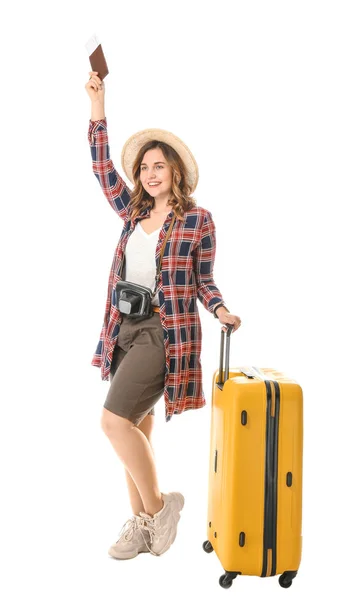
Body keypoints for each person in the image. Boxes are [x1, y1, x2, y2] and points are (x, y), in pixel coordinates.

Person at [85, 71, 242, 561]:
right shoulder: (132, 212)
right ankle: (141, 526)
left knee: (113, 422)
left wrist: (221, 309)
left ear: (176, 171)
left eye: (160, 166)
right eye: (145, 168)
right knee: (135, 426)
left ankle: (158, 510)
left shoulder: (198, 220)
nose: (151, 174)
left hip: (163, 332)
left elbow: (202, 281)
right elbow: (102, 167)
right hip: (124, 330)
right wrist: (98, 104)